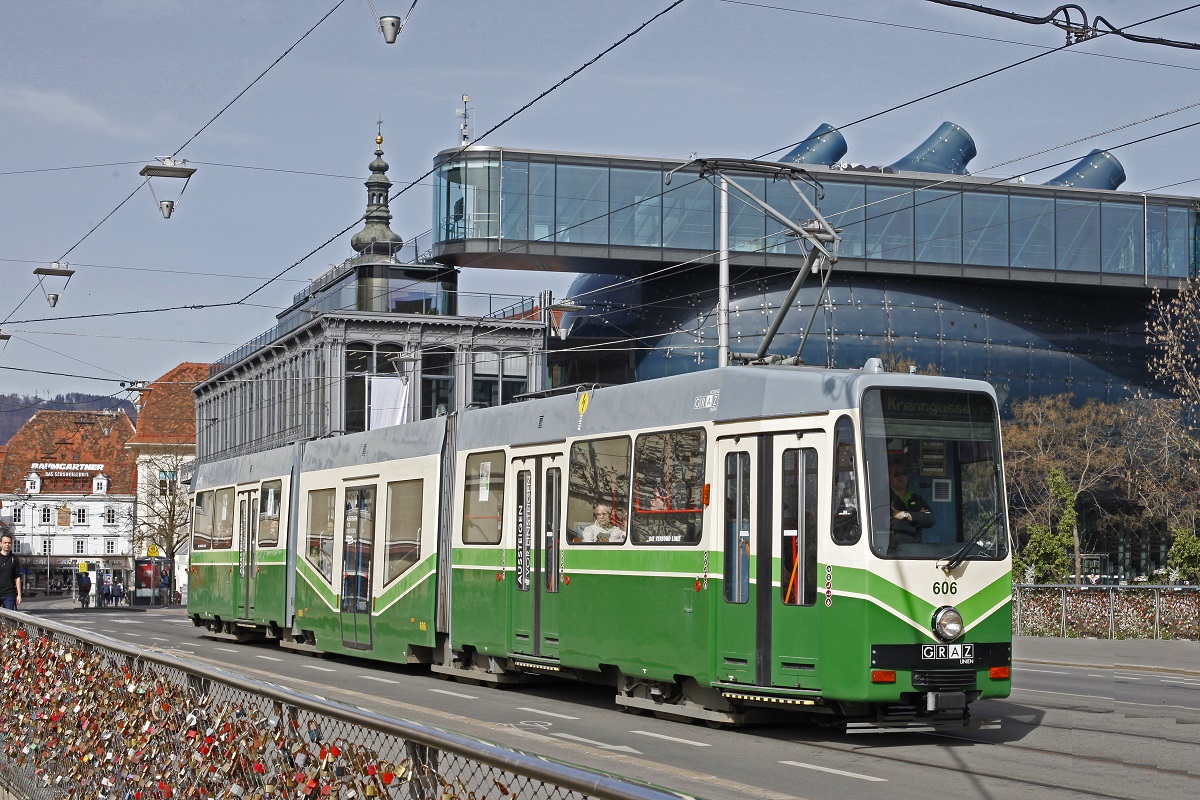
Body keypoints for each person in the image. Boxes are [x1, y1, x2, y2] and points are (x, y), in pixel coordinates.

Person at [888, 456, 934, 544]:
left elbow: (931, 519)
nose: (901, 476)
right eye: (896, 474)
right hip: (891, 551)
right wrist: (917, 524)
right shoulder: (882, 498)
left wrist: (906, 515)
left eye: (904, 473)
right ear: (888, 477)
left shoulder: (915, 498)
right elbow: (886, 523)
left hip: (915, 550)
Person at [0, 533, 23, 611]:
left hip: (9, 594)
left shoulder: (14, 559)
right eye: (5, 542)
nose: (7, 545)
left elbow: (17, 577)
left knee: (9, 619)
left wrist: (19, 595)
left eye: (9, 543)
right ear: (1, 544)